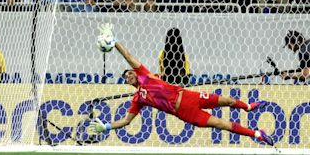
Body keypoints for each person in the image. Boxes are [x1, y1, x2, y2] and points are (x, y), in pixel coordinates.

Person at [89, 24, 274, 146]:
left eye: (129, 72)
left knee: (227, 101)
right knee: (222, 124)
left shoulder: (145, 75)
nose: (128, 75)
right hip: (185, 112)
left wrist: (115, 42)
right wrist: (106, 127)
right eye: (126, 76)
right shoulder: (138, 99)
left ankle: (248, 107)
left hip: (187, 95)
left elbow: (128, 56)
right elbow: (126, 121)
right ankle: (257, 134)